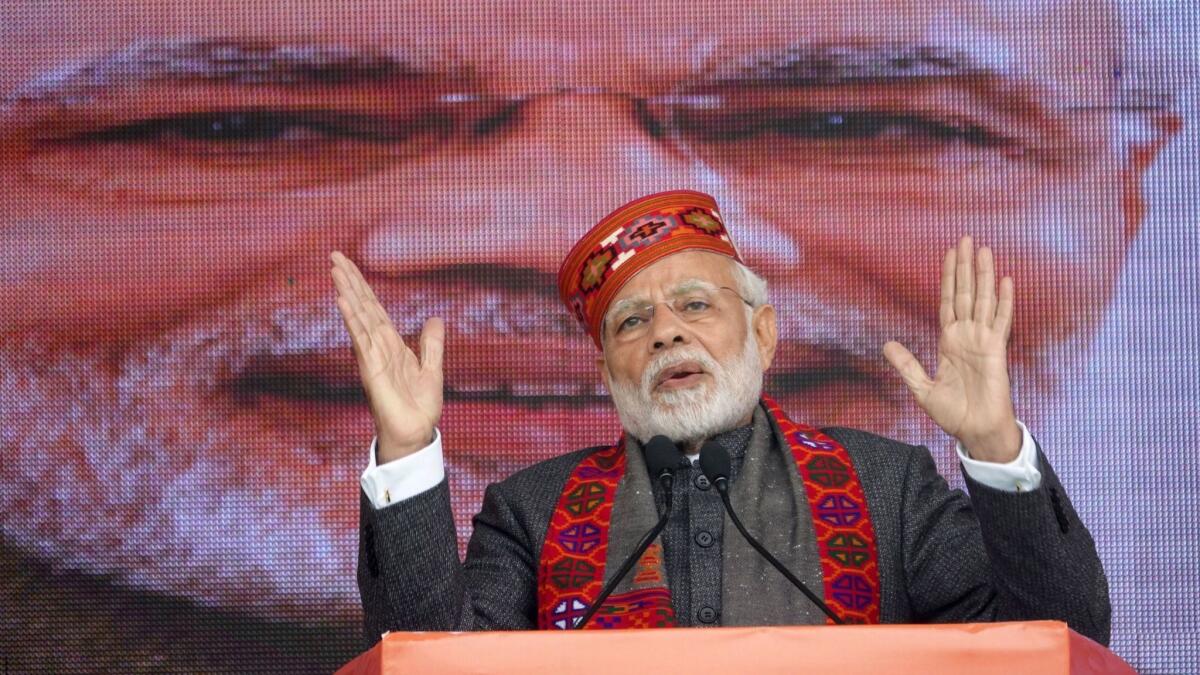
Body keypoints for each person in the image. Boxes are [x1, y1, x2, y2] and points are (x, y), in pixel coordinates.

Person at [339, 189, 1109, 643]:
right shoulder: (532, 511)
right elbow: (429, 659)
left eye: (695, 305)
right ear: (607, 372)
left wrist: (993, 446)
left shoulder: (887, 485)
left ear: (764, 332)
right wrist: (407, 450)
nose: (667, 331)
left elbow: (1060, 639)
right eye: (632, 322)